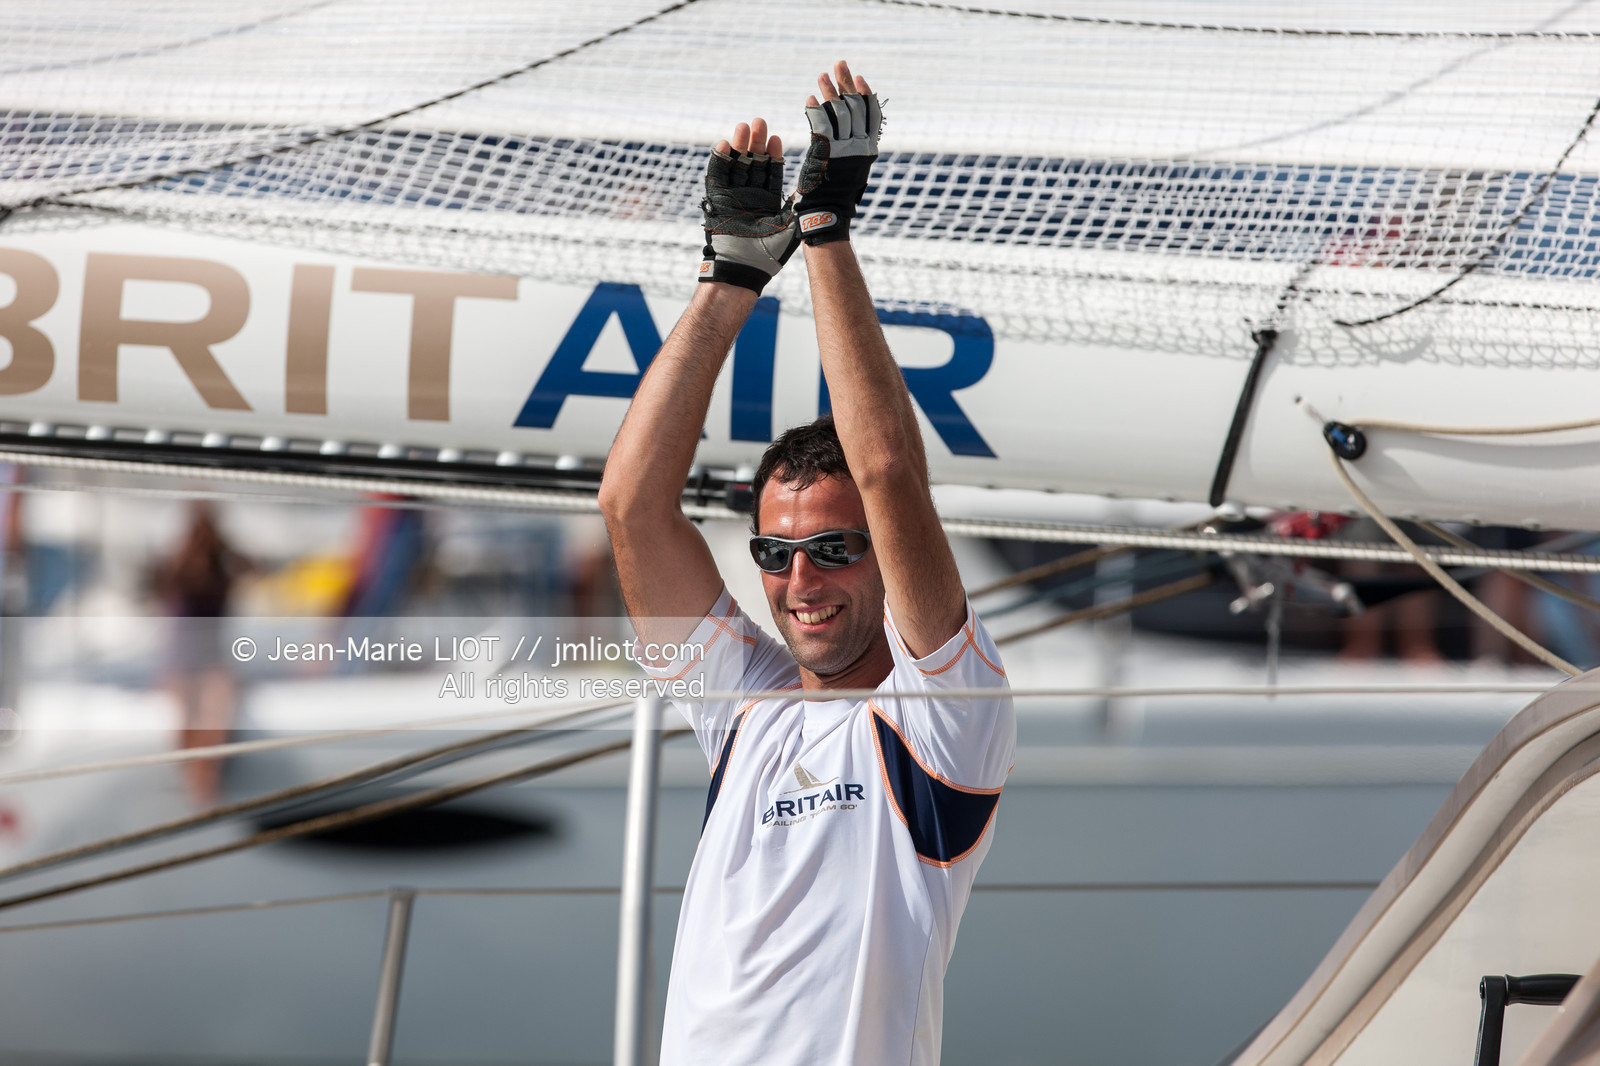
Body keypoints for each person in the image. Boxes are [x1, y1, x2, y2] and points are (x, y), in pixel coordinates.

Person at [598, 62, 1015, 1066]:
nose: (801, 581)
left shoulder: (944, 714)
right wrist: (728, 280)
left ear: (881, 557)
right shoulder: (744, 705)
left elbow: (885, 468)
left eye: (833, 550)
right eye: (776, 555)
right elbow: (630, 508)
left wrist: (826, 230)